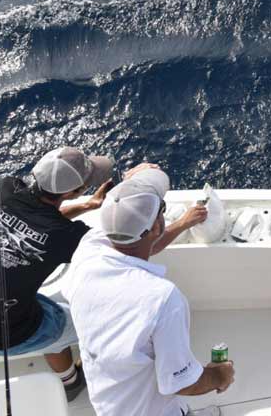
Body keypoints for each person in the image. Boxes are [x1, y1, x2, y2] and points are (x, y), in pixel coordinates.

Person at [0, 147, 199, 401]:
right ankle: (71, 384)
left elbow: (38, 218)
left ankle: (65, 371)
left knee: (52, 321)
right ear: (72, 192)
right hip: (11, 330)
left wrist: (88, 205)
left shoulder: (5, 190)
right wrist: (184, 222)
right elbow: (136, 247)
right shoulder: (65, 237)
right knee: (88, 326)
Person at [64, 168, 235, 416]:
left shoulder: (88, 249)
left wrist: (132, 186)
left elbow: (133, 235)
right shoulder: (162, 299)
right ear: (156, 226)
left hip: (107, 405)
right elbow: (183, 383)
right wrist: (221, 375)